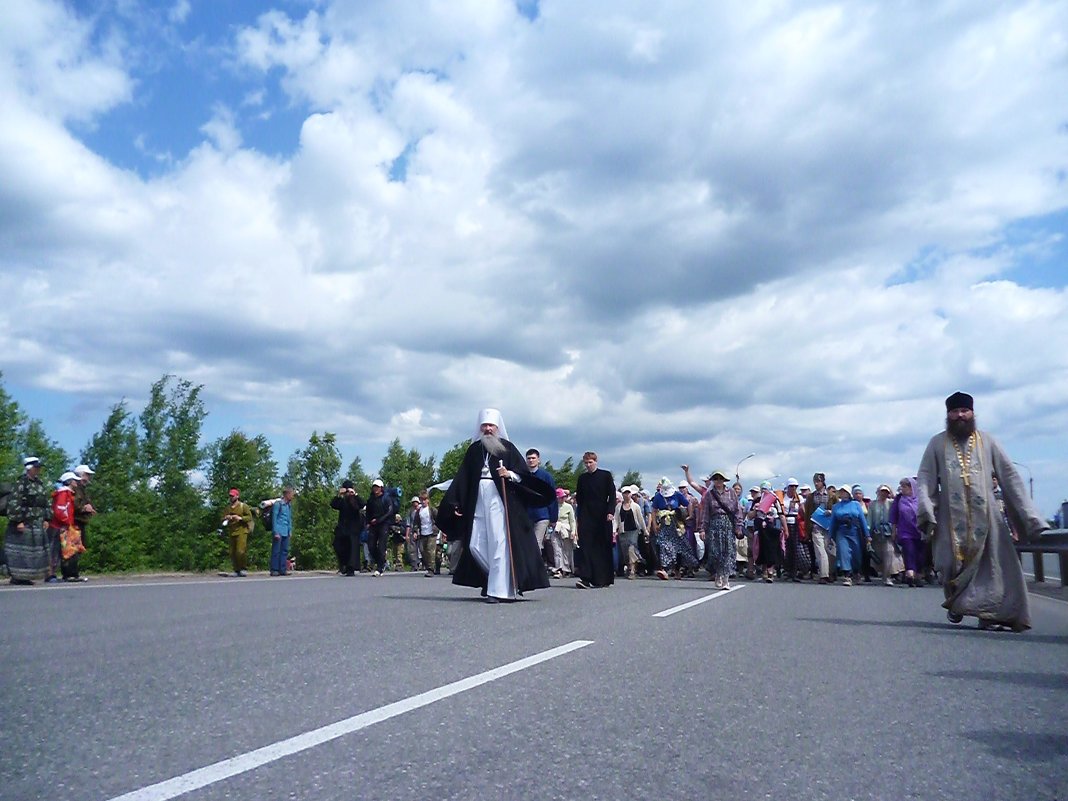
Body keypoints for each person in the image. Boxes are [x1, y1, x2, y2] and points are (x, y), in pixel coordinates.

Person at [916, 392, 1047, 631]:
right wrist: (926, 507)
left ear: (973, 413)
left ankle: (988, 613)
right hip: (950, 520)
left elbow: (1010, 477)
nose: (960, 416)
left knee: (993, 567)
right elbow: (925, 477)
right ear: (948, 415)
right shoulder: (937, 443)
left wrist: (1030, 516)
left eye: (964, 411)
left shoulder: (988, 441)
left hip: (987, 519)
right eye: (954, 412)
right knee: (948, 566)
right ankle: (957, 602)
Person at [436, 409, 553, 602]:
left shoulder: (507, 448)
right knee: (475, 545)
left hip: (499, 502)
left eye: (491, 426)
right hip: (477, 502)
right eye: (485, 425)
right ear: (480, 427)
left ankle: (498, 591)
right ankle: (498, 580)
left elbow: (522, 474)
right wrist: (456, 501)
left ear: (497, 428)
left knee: (499, 544)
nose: (488, 429)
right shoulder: (474, 450)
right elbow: (462, 478)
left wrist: (510, 474)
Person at [5, 457, 52, 585]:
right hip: (24, 521)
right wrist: (17, 521)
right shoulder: (21, 483)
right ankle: (17, 577)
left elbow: (45, 502)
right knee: (20, 552)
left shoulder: (40, 484)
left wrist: (47, 518)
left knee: (34, 552)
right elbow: (14, 502)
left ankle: (27, 576)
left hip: (37, 523)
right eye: (36, 467)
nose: (38, 470)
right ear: (29, 468)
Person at [574, 451, 617, 588]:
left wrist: (610, 511)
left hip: (602, 515)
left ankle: (602, 578)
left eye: (590, 462)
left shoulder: (605, 476)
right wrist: (579, 516)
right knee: (586, 546)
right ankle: (585, 577)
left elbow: (612, 495)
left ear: (596, 462)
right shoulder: (582, 478)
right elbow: (580, 498)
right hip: (586, 514)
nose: (588, 465)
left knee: (601, 546)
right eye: (586, 463)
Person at [700, 470, 741, 589]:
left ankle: (726, 579)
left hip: (727, 524)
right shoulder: (709, 494)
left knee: (728, 551)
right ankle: (718, 574)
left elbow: (737, 510)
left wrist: (739, 526)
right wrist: (703, 529)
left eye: (720, 479)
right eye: (716, 479)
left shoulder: (731, 493)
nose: (718, 481)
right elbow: (705, 513)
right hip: (714, 524)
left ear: (724, 481)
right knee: (715, 552)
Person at [650, 478, 697, 580]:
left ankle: (677, 570)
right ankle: (664, 569)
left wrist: (690, 515)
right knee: (662, 544)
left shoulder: (677, 494)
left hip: (676, 523)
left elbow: (687, 503)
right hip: (664, 524)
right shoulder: (658, 496)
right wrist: (654, 525)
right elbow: (653, 510)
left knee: (679, 546)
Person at [829, 485, 869, 586]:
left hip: (855, 531)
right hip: (841, 531)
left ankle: (856, 572)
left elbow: (862, 520)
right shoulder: (836, 506)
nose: (842, 493)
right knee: (844, 552)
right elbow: (833, 522)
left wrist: (867, 535)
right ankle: (847, 575)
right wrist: (830, 537)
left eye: (844, 491)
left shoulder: (855, 504)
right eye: (841, 492)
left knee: (856, 554)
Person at [748, 480, 787, 583]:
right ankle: (765, 570)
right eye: (763, 489)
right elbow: (750, 516)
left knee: (773, 549)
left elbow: (781, 515)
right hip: (761, 529)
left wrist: (785, 529)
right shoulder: (757, 501)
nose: (765, 491)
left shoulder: (775, 500)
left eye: (767, 489)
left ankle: (771, 572)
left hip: (773, 528)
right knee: (762, 550)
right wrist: (756, 510)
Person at [524, 449, 558, 565]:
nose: (531, 460)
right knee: (527, 543)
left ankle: (535, 569)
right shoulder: (523, 475)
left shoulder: (546, 476)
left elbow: (552, 497)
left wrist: (553, 518)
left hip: (542, 515)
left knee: (536, 543)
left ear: (538, 460)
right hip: (527, 515)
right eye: (528, 458)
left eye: (533, 458)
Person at [890, 477, 924, 587]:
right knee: (909, 551)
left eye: (905, 486)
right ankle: (910, 574)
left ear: (911, 487)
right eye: (902, 486)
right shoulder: (899, 499)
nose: (902, 489)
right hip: (905, 531)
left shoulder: (920, 499)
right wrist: (894, 530)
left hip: (920, 531)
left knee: (919, 554)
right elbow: (894, 515)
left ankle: (918, 575)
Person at [68, 464, 96, 580]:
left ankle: (73, 573)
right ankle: (71, 574)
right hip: (74, 522)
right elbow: (73, 504)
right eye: (86, 475)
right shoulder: (75, 489)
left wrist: (89, 508)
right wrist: (84, 508)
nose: (88, 478)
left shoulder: (82, 490)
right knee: (73, 548)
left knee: (79, 547)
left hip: (81, 521)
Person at [330, 480, 364, 575]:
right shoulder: (342, 500)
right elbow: (333, 504)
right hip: (342, 528)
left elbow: (362, 504)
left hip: (353, 529)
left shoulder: (355, 500)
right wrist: (339, 494)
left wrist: (355, 494)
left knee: (352, 549)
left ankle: (351, 568)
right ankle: (343, 565)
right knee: (338, 545)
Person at [614, 485, 648, 579]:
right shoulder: (618, 507)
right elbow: (616, 519)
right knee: (625, 552)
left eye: (628, 493)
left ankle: (632, 571)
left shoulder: (635, 506)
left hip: (634, 531)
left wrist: (645, 531)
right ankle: (630, 566)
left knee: (632, 549)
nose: (627, 495)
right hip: (623, 531)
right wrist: (614, 530)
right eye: (625, 493)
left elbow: (640, 519)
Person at [365, 479, 396, 577]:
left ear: (381, 488)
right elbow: (368, 513)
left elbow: (389, 512)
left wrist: (379, 520)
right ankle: (381, 561)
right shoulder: (371, 500)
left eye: (377, 487)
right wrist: (368, 522)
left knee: (381, 547)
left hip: (384, 524)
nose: (375, 489)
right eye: (374, 487)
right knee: (371, 546)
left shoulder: (386, 498)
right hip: (373, 525)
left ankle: (380, 568)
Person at [868, 484, 897, 586]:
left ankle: (887, 577)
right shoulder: (872, 504)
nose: (884, 494)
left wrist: (891, 492)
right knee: (879, 555)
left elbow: (897, 501)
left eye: (886, 492)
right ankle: (882, 574)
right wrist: (868, 534)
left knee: (889, 553)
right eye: (882, 491)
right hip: (876, 532)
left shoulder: (892, 503)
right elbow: (870, 519)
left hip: (888, 531)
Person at [781, 478, 810, 582]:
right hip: (784, 522)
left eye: (795, 486)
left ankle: (793, 572)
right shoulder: (782, 498)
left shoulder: (799, 498)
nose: (793, 488)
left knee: (794, 548)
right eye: (791, 486)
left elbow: (802, 511)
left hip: (795, 523)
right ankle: (786, 570)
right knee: (785, 548)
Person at [222, 488, 253, 577]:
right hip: (232, 532)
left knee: (240, 551)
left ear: (237, 496)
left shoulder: (243, 506)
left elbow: (249, 517)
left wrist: (240, 518)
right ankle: (236, 569)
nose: (231, 497)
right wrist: (227, 517)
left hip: (242, 531)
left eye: (232, 496)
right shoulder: (227, 508)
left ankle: (243, 568)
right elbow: (222, 518)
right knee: (232, 552)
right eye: (230, 496)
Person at [551, 488, 577, 578]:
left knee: (567, 550)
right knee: (557, 550)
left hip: (566, 529)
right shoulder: (553, 506)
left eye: (563, 497)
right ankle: (559, 569)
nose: (562, 499)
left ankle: (567, 569)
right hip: (555, 529)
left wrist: (573, 532)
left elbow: (572, 520)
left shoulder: (568, 507)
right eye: (560, 497)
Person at [270, 487, 295, 576]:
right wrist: (275, 532)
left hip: (286, 531)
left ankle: (283, 569)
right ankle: (274, 569)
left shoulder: (288, 505)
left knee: (284, 551)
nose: (292, 496)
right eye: (291, 494)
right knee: (276, 551)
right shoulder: (278, 504)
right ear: (287, 494)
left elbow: (289, 519)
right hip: (279, 530)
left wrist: (290, 530)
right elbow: (274, 518)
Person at [413, 491, 438, 577]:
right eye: (421, 499)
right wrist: (415, 531)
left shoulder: (432, 510)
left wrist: (436, 528)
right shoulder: (419, 511)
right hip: (423, 533)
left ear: (428, 500)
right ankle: (429, 566)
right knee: (422, 550)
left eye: (425, 499)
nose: (423, 501)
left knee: (430, 551)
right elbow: (415, 522)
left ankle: (431, 569)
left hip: (431, 533)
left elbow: (438, 520)